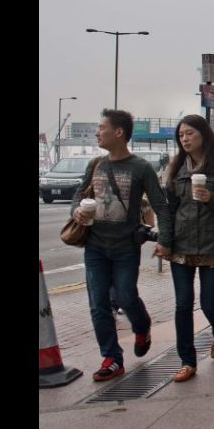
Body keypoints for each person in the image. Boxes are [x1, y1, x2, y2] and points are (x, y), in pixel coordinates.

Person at [71, 109, 172, 381]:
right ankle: (112, 358)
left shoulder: (141, 167)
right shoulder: (96, 165)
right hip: (95, 247)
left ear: (119, 133)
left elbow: (161, 206)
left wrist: (164, 241)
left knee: (126, 297)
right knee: (98, 304)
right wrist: (76, 211)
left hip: (126, 248)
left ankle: (142, 325)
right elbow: (78, 196)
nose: (97, 132)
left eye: (101, 127)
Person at [164, 115, 214, 382]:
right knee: (183, 304)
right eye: (181, 135)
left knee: (209, 302)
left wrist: (212, 198)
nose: (185, 139)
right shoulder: (176, 168)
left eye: (190, 133)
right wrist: (165, 241)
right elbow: (169, 209)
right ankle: (187, 361)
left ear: (203, 134)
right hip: (182, 244)